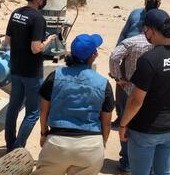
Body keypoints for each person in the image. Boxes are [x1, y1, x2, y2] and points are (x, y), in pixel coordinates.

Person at [118, 9, 170, 175]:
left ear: (152, 29)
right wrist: (168, 109)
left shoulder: (149, 59)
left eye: (145, 30)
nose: (145, 34)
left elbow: (135, 101)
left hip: (144, 129)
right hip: (169, 127)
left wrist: (123, 124)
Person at [33, 34, 115, 175]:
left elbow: (44, 110)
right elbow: (106, 123)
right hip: (91, 145)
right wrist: (102, 144)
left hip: (58, 143)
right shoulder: (103, 84)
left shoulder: (55, 76)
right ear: (93, 55)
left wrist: (43, 133)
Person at [3, 0, 57, 152]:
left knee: (13, 106)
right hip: (32, 72)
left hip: (16, 68)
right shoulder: (38, 18)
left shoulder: (16, 13)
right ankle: (18, 148)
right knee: (33, 112)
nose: (44, 2)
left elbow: (6, 42)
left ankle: (10, 145)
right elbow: (35, 48)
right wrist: (48, 41)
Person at [113, 0, 162, 128]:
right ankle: (121, 117)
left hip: (149, 60)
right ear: (145, 0)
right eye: (149, 0)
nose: (151, 3)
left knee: (143, 90)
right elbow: (124, 32)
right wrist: (118, 49)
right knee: (122, 87)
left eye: (155, 1)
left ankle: (138, 118)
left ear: (159, 4)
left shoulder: (161, 17)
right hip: (128, 56)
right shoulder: (135, 13)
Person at [109, 34, 152, 173]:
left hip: (130, 90)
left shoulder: (132, 41)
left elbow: (114, 57)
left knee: (126, 124)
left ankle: (127, 162)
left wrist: (118, 77)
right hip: (152, 93)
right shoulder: (162, 44)